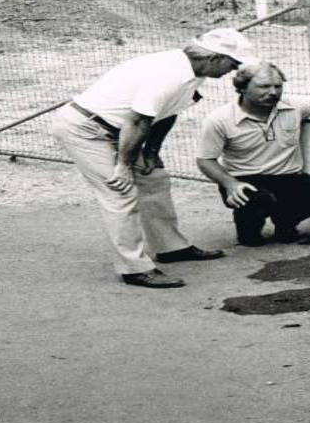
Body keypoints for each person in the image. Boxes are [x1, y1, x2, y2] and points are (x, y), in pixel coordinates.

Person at [49, 28, 258, 289]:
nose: (234, 70)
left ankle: (171, 248)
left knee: (154, 178)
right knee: (120, 191)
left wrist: (151, 153)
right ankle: (134, 269)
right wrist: (124, 166)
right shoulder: (169, 74)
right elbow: (138, 120)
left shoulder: (194, 73)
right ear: (214, 58)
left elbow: (167, 113)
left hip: (120, 128)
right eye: (233, 64)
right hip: (87, 129)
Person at [195, 61, 310, 246]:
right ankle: (248, 230)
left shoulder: (294, 105)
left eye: (278, 86)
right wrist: (230, 184)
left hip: (287, 176)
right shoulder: (219, 119)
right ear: (242, 88)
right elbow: (205, 160)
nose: (273, 92)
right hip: (244, 178)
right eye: (264, 86)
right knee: (256, 209)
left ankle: (285, 223)